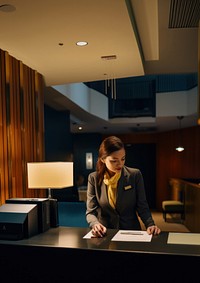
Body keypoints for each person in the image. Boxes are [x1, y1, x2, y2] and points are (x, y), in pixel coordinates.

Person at [86, 135, 161, 237]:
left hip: (130, 231)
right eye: (114, 160)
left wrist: (150, 224)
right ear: (103, 159)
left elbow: (142, 206)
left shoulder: (134, 175)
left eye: (123, 159)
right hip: (105, 233)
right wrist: (95, 224)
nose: (120, 164)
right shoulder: (93, 178)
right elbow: (91, 212)